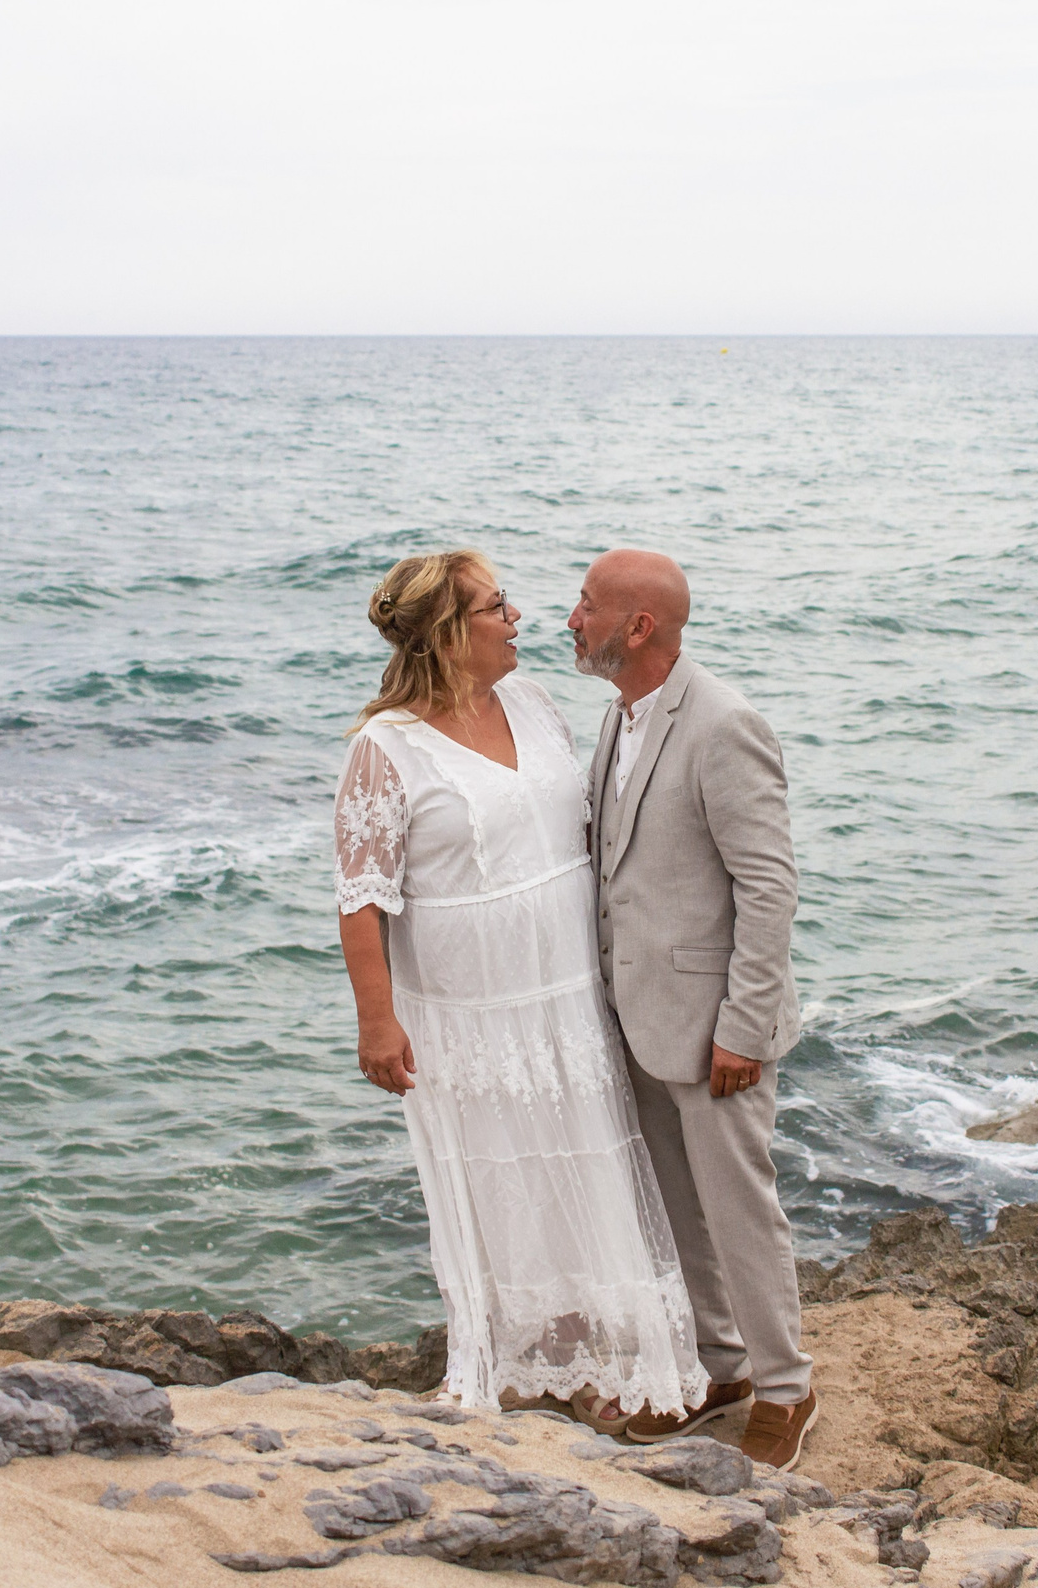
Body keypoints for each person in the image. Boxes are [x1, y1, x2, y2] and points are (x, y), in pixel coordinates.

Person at [333, 548, 708, 1425]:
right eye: (496, 608)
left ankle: (602, 1369)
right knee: (502, 1186)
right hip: (469, 1014)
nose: (518, 619)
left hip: (566, 998)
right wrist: (376, 1021)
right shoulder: (384, 749)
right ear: (447, 634)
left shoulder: (535, 706)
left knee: (585, 1167)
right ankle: (515, 1367)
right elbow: (363, 896)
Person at [568, 548, 819, 1472]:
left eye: (587, 604)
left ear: (640, 626)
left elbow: (769, 886)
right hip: (638, 1016)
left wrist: (743, 1028)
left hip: (718, 1029)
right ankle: (720, 1368)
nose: (571, 617)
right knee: (675, 1211)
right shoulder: (617, 716)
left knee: (740, 1210)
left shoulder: (723, 723)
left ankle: (788, 1386)